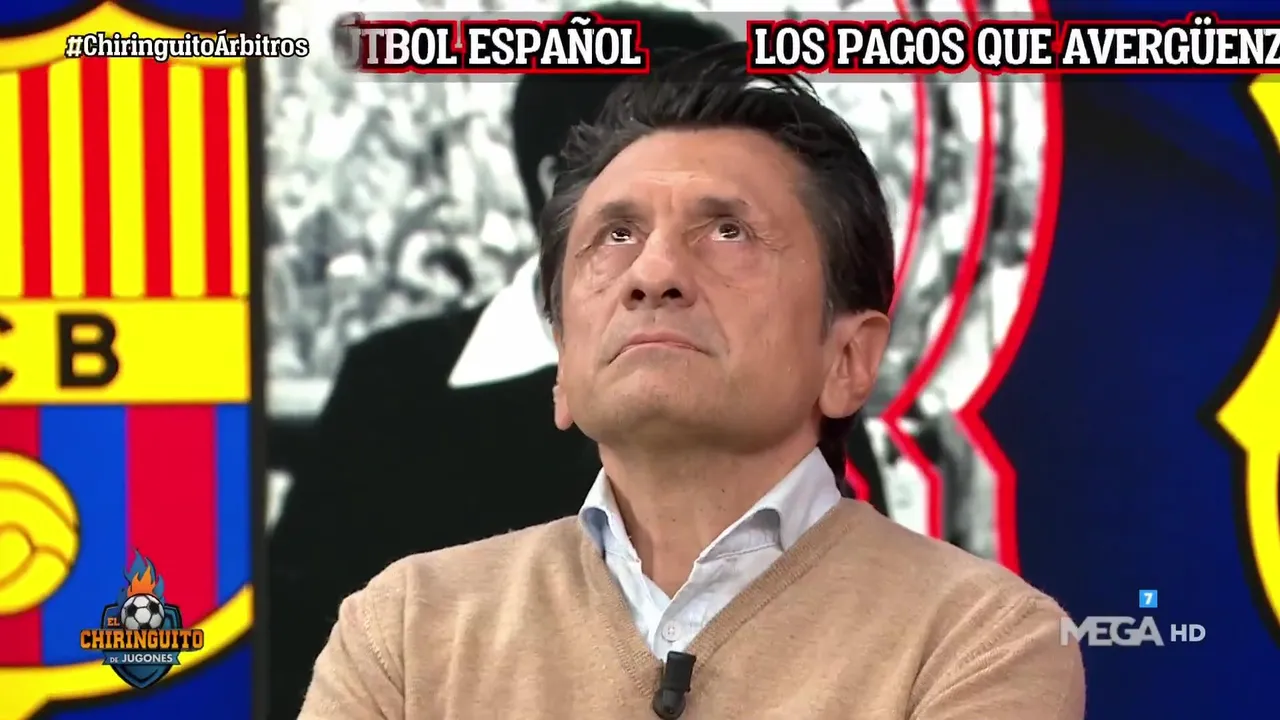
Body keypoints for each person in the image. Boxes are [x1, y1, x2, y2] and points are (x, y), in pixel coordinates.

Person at [298, 45, 1084, 719]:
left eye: (729, 231)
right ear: (562, 368)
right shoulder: (405, 630)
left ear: (847, 359)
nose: (654, 273)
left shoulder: (977, 639)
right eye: (616, 234)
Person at [268, 7, 885, 719]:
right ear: (557, 184)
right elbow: (296, 656)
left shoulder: (797, 374)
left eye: (727, 225)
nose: (661, 272)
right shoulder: (393, 391)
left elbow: (871, 614)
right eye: (625, 222)